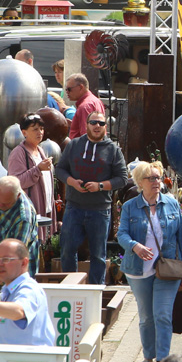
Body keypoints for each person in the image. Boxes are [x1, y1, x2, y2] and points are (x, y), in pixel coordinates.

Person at [116, 161, 182, 362]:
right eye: (152, 178)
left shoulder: (172, 204)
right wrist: (135, 246)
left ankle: (163, 361)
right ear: (140, 183)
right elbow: (121, 234)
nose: (157, 182)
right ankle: (147, 359)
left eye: (158, 178)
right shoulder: (131, 206)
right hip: (138, 270)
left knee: (163, 315)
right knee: (146, 317)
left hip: (167, 269)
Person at [56, 110, 128, 284]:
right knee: (67, 250)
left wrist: (100, 186)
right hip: (74, 207)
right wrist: (71, 182)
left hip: (99, 210)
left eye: (101, 124)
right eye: (94, 123)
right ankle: (70, 288)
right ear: (86, 125)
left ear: (105, 127)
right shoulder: (73, 145)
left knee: (98, 255)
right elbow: (59, 169)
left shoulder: (113, 149)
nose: (97, 126)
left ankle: (96, 292)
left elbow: (122, 178)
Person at [5, 113, 55, 237]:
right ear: (24, 132)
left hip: (44, 210)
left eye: (42, 129)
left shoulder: (40, 150)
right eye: (35, 129)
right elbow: (16, 182)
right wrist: (38, 169)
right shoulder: (18, 153)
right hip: (29, 213)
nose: (40, 132)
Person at [64, 73, 105, 139]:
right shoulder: (96, 101)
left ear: (81, 87)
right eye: (66, 90)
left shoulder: (84, 106)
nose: (67, 92)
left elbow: (86, 135)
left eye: (69, 89)